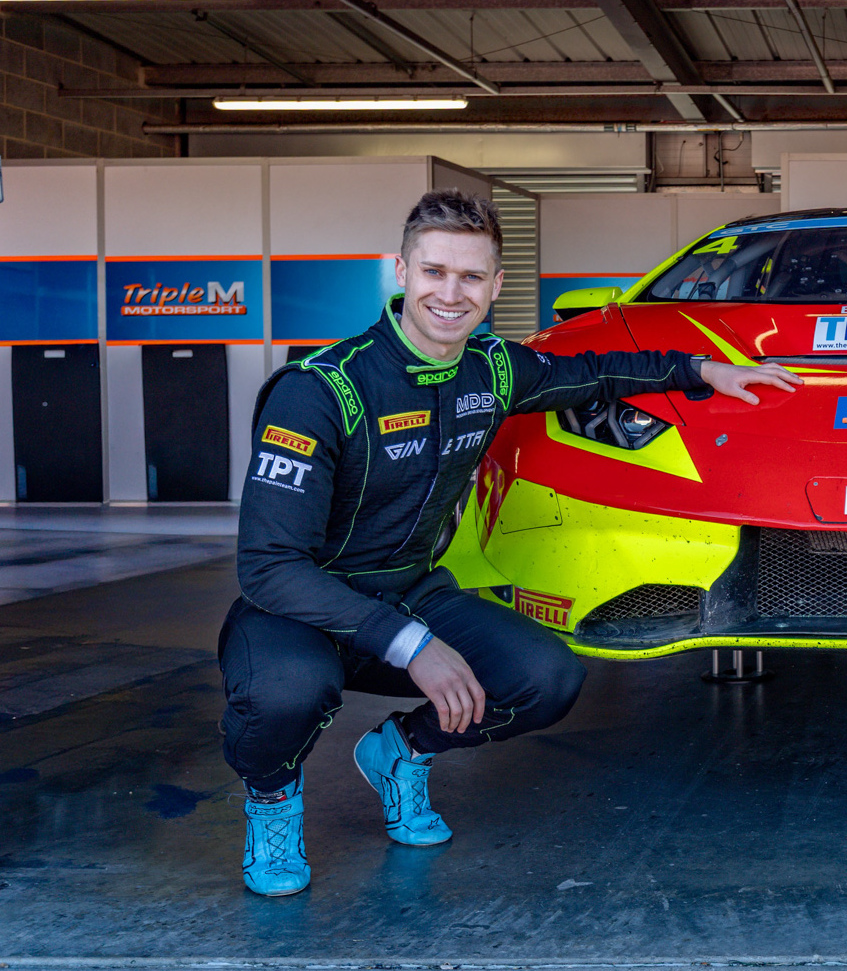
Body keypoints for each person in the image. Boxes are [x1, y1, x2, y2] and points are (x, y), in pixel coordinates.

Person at [222, 189, 800, 896]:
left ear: (495, 286)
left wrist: (705, 371)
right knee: (285, 692)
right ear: (400, 271)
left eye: (471, 277)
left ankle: (402, 751)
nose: (450, 293)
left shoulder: (493, 368)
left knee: (547, 677)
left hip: (410, 589)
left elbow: (596, 373)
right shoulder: (319, 389)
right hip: (298, 607)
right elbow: (267, 565)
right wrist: (412, 644)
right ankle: (273, 799)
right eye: (434, 271)